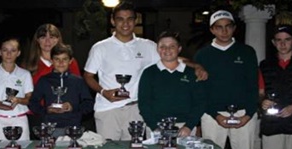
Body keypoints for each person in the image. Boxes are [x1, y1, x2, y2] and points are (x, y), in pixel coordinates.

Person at [84, 1, 206, 141]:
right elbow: (88, 76)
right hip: (107, 109)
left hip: (136, 109)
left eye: (130, 19)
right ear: (113, 21)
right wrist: (104, 92)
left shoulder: (148, 46)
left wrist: (196, 66)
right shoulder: (100, 47)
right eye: (120, 19)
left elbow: (171, 56)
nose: (125, 23)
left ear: (135, 21)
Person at [194, 10, 259, 149]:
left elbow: (253, 86)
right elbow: (201, 91)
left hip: (243, 115)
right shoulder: (203, 55)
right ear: (212, 30)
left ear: (234, 28)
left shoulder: (246, 52)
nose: (224, 31)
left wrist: (248, 114)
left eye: (228, 26)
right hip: (212, 116)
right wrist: (216, 114)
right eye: (219, 27)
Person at [138, 31, 205, 136]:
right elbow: (144, 103)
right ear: (157, 49)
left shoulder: (191, 73)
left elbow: (199, 103)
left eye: (172, 46)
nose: (167, 50)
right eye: (162, 46)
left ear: (179, 49)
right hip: (156, 127)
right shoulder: (149, 73)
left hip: (185, 128)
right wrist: (155, 128)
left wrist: (189, 126)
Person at [24, 23, 82, 139]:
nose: (47, 41)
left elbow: (77, 90)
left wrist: (70, 106)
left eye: (52, 37)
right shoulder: (29, 64)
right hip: (38, 116)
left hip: (66, 116)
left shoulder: (70, 62)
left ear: (58, 39)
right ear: (37, 41)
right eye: (43, 37)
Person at [28, 44, 94, 137]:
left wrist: (73, 108)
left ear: (70, 61)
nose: (61, 62)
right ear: (51, 61)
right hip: (50, 127)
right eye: (57, 59)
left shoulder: (78, 81)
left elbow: (89, 104)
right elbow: (33, 103)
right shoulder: (44, 80)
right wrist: (46, 110)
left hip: (73, 127)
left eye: (65, 59)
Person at [0, 36, 33, 141]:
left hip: (19, 119)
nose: (9, 54)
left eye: (13, 50)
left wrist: (18, 100)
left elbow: (29, 99)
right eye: (5, 50)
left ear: (18, 53)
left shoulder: (25, 74)